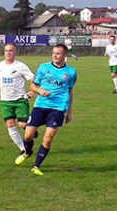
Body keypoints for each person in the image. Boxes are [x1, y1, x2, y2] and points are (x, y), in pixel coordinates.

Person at [16, 44, 76, 176]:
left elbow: (70, 92)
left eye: (58, 53)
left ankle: (36, 166)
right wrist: (39, 91)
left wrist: (69, 112)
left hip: (58, 108)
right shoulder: (43, 67)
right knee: (28, 135)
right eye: (54, 53)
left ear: (65, 55)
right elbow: (32, 86)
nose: (55, 55)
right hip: (40, 106)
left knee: (48, 138)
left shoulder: (71, 72)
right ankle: (28, 152)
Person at [0, 43, 35, 157]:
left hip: (20, 100)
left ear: (15, 52)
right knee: (10, 125)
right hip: (5, 101)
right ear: (4, 52)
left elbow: (33, 79)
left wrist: (32, 91)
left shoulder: (21, 66)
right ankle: (24, 149)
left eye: (11, 51)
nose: (8, 53)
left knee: (22, 124)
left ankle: (31, 127)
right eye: (6, 51)